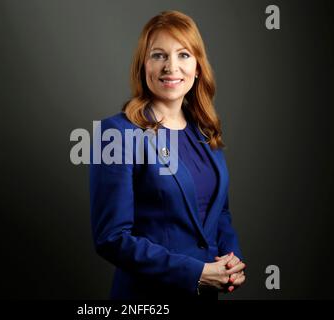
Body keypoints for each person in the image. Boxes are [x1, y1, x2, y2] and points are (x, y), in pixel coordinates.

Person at [89, 10, 246, 300]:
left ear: (198, 67)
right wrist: (194, 273)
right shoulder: (116, 134)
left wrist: (231, 258)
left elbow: (218, 212)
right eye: (159, 55)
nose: (171, 67)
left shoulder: (205, 130)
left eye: (184, 55)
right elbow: (111, 238)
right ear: (143, 66)